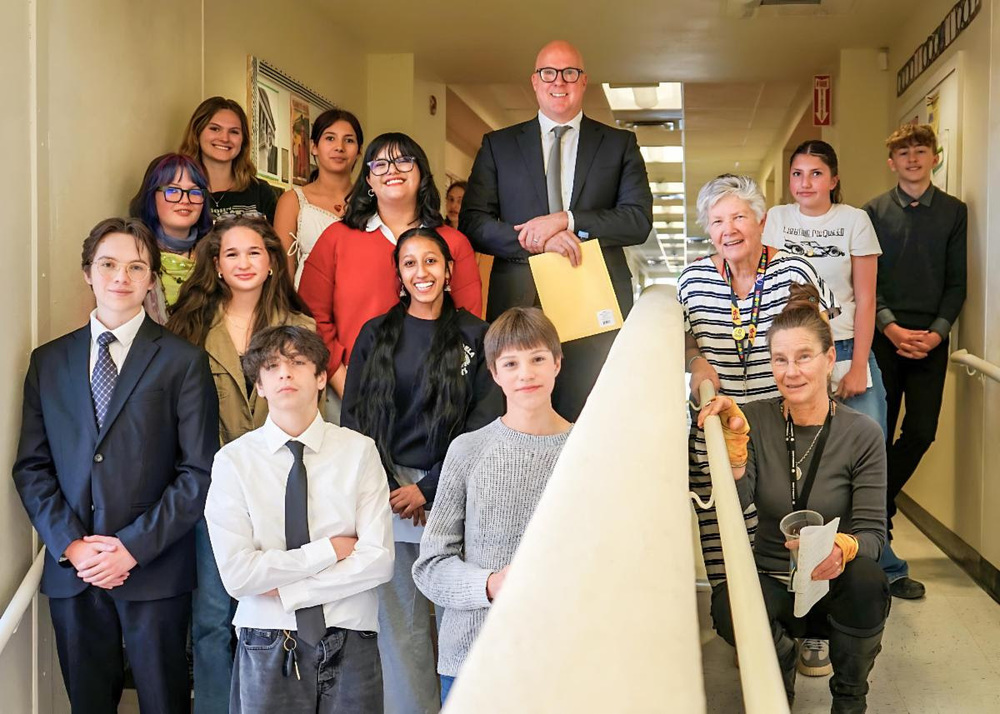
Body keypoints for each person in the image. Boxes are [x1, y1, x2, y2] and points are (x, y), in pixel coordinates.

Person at [13, 218, 218, 713]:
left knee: (165, 702)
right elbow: (32, 467)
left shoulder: (183, 362)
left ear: (151, 280)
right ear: (88, 272)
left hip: (153, 570)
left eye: (135, 266)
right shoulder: (49, 361)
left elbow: (198, 473)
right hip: (75, 572)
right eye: (108, 264)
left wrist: (131, 548)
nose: (120, 277)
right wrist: (73, 546)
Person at [700, 283, 890, 713]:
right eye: (780, 359)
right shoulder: (755, 419)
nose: (791, 371)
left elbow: (874, 535)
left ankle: (849, 696)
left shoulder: (862, 434)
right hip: (772, 579)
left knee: (869, 582)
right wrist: (733, 458)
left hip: (831, 584)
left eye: (803, 357)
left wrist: (842, 549)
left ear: (828, 360)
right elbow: (741, 502)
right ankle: (780, 661)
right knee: (726, 602)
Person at [341, 227, 503, 714]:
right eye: (410, 263)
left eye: (431, 261)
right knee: (402, 626)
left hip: (460, 491)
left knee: (466, 618)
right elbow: (357, 418)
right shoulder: (375, 334)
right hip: (388, 493)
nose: (422, 272)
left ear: (449, 271)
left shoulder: (478, 334)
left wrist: (431, 488)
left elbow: (486, 419)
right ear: (399, 275)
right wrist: (396, 489)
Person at [166, 216, 315, 712]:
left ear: (272, 261)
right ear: (217, 264)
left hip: (282, 489)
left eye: (254, 252)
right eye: (232, 254)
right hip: (214, 491)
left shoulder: (302, 329)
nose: (244, 263)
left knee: (280, 613)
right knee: (211, 616)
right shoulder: (187, 328)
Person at [460, 40, 653, 421]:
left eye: (570, 73)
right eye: (549, 72)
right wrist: (539, 239)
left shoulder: (618, 144)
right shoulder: (499, 146)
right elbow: (474, 222)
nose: (559, 81)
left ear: (584, 82)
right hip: (520, 300)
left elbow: (637, 220)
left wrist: (568, 220)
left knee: (593, 415)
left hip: (593, 299)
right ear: (535, 81)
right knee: (521, 415)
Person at [205, 326, 393, 713]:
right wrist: (329, 550)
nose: (285, 374)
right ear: (259, 385)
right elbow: (239, 575)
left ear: (321, 377)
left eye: (297, 363)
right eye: (272, 367)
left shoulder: (359, 451)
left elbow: (378, 560)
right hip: (266, 636)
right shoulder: (233, 462)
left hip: (350, 632)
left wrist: (289, 591)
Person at [678, 174, 839, 589]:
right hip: (715, 426)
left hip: (783, 426)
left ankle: (803, 621)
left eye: (739, 217)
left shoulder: (793, 272)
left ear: (761, 221)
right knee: (722, 532)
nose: (728, 230)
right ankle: (733, 616)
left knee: (789, 529)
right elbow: (684, 336)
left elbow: (816, 341)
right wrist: (696, 359)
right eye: (716, 221)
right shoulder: (692, 282)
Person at [412, 307, 572, 704]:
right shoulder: (467, 450)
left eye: (537, 359)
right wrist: (490, 584)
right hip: (472, 660)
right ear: (495, 373)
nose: (525, 374)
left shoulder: (588, 450)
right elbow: (431, 566)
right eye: (511, 363)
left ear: (557, 363)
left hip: (563, 660)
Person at [298, 132, 482, 423]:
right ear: (368, 180)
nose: (392, 170)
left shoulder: (454, 243)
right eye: (380, 164)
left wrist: (435, 388)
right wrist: (345, 381)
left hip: (432, 401)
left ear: (421, 172)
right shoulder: (337, 239)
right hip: (349, 391)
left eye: (404, 161)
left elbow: (467, 325)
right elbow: (311, 316)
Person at [863, 123, 967, 600]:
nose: (911, 158)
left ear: (934, 157)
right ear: (891, 161)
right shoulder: (873, 212)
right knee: (877, 435)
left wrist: (937, 334)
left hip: (932, 339)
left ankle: (879, 503)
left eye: (919, 151)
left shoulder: (953, 213)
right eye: (902, 152)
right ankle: (878, 540)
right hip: (884, 338)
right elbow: (869, 279)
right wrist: (890, 327)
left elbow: (957, 282)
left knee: (921, 431)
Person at [763, 140, 886, 435]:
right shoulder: (777, 218)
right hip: (794, 352)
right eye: (797, 174)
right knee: (799, 446)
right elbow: (766, 285)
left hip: (844, 347)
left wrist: (858, 367)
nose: (805, 183)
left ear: (833, 179)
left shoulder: (855, 220)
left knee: (868, 442)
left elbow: (866, 300)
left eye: (816, 174)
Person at [273, 108, 364, 288]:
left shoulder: (373, 199)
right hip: (308, 309)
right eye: (330, 138)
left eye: (349, 140)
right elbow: (284, 276)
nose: (340, 147)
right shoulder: (293, 201)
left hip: (365, 308)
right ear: (314, 147)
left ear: (360, 151)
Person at [129, 153, 214, 323]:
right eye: (173, 190)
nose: (185, 200)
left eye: (195, 192)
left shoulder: (215, 255)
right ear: (151, 196)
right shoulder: (132, 254)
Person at [180, 96, 278, 223]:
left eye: (234, 132)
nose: (225, 138)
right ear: (197, 133)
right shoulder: (177, 189)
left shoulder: (261, 192)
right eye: (215, 129)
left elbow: (275, 242)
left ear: (243, 140)